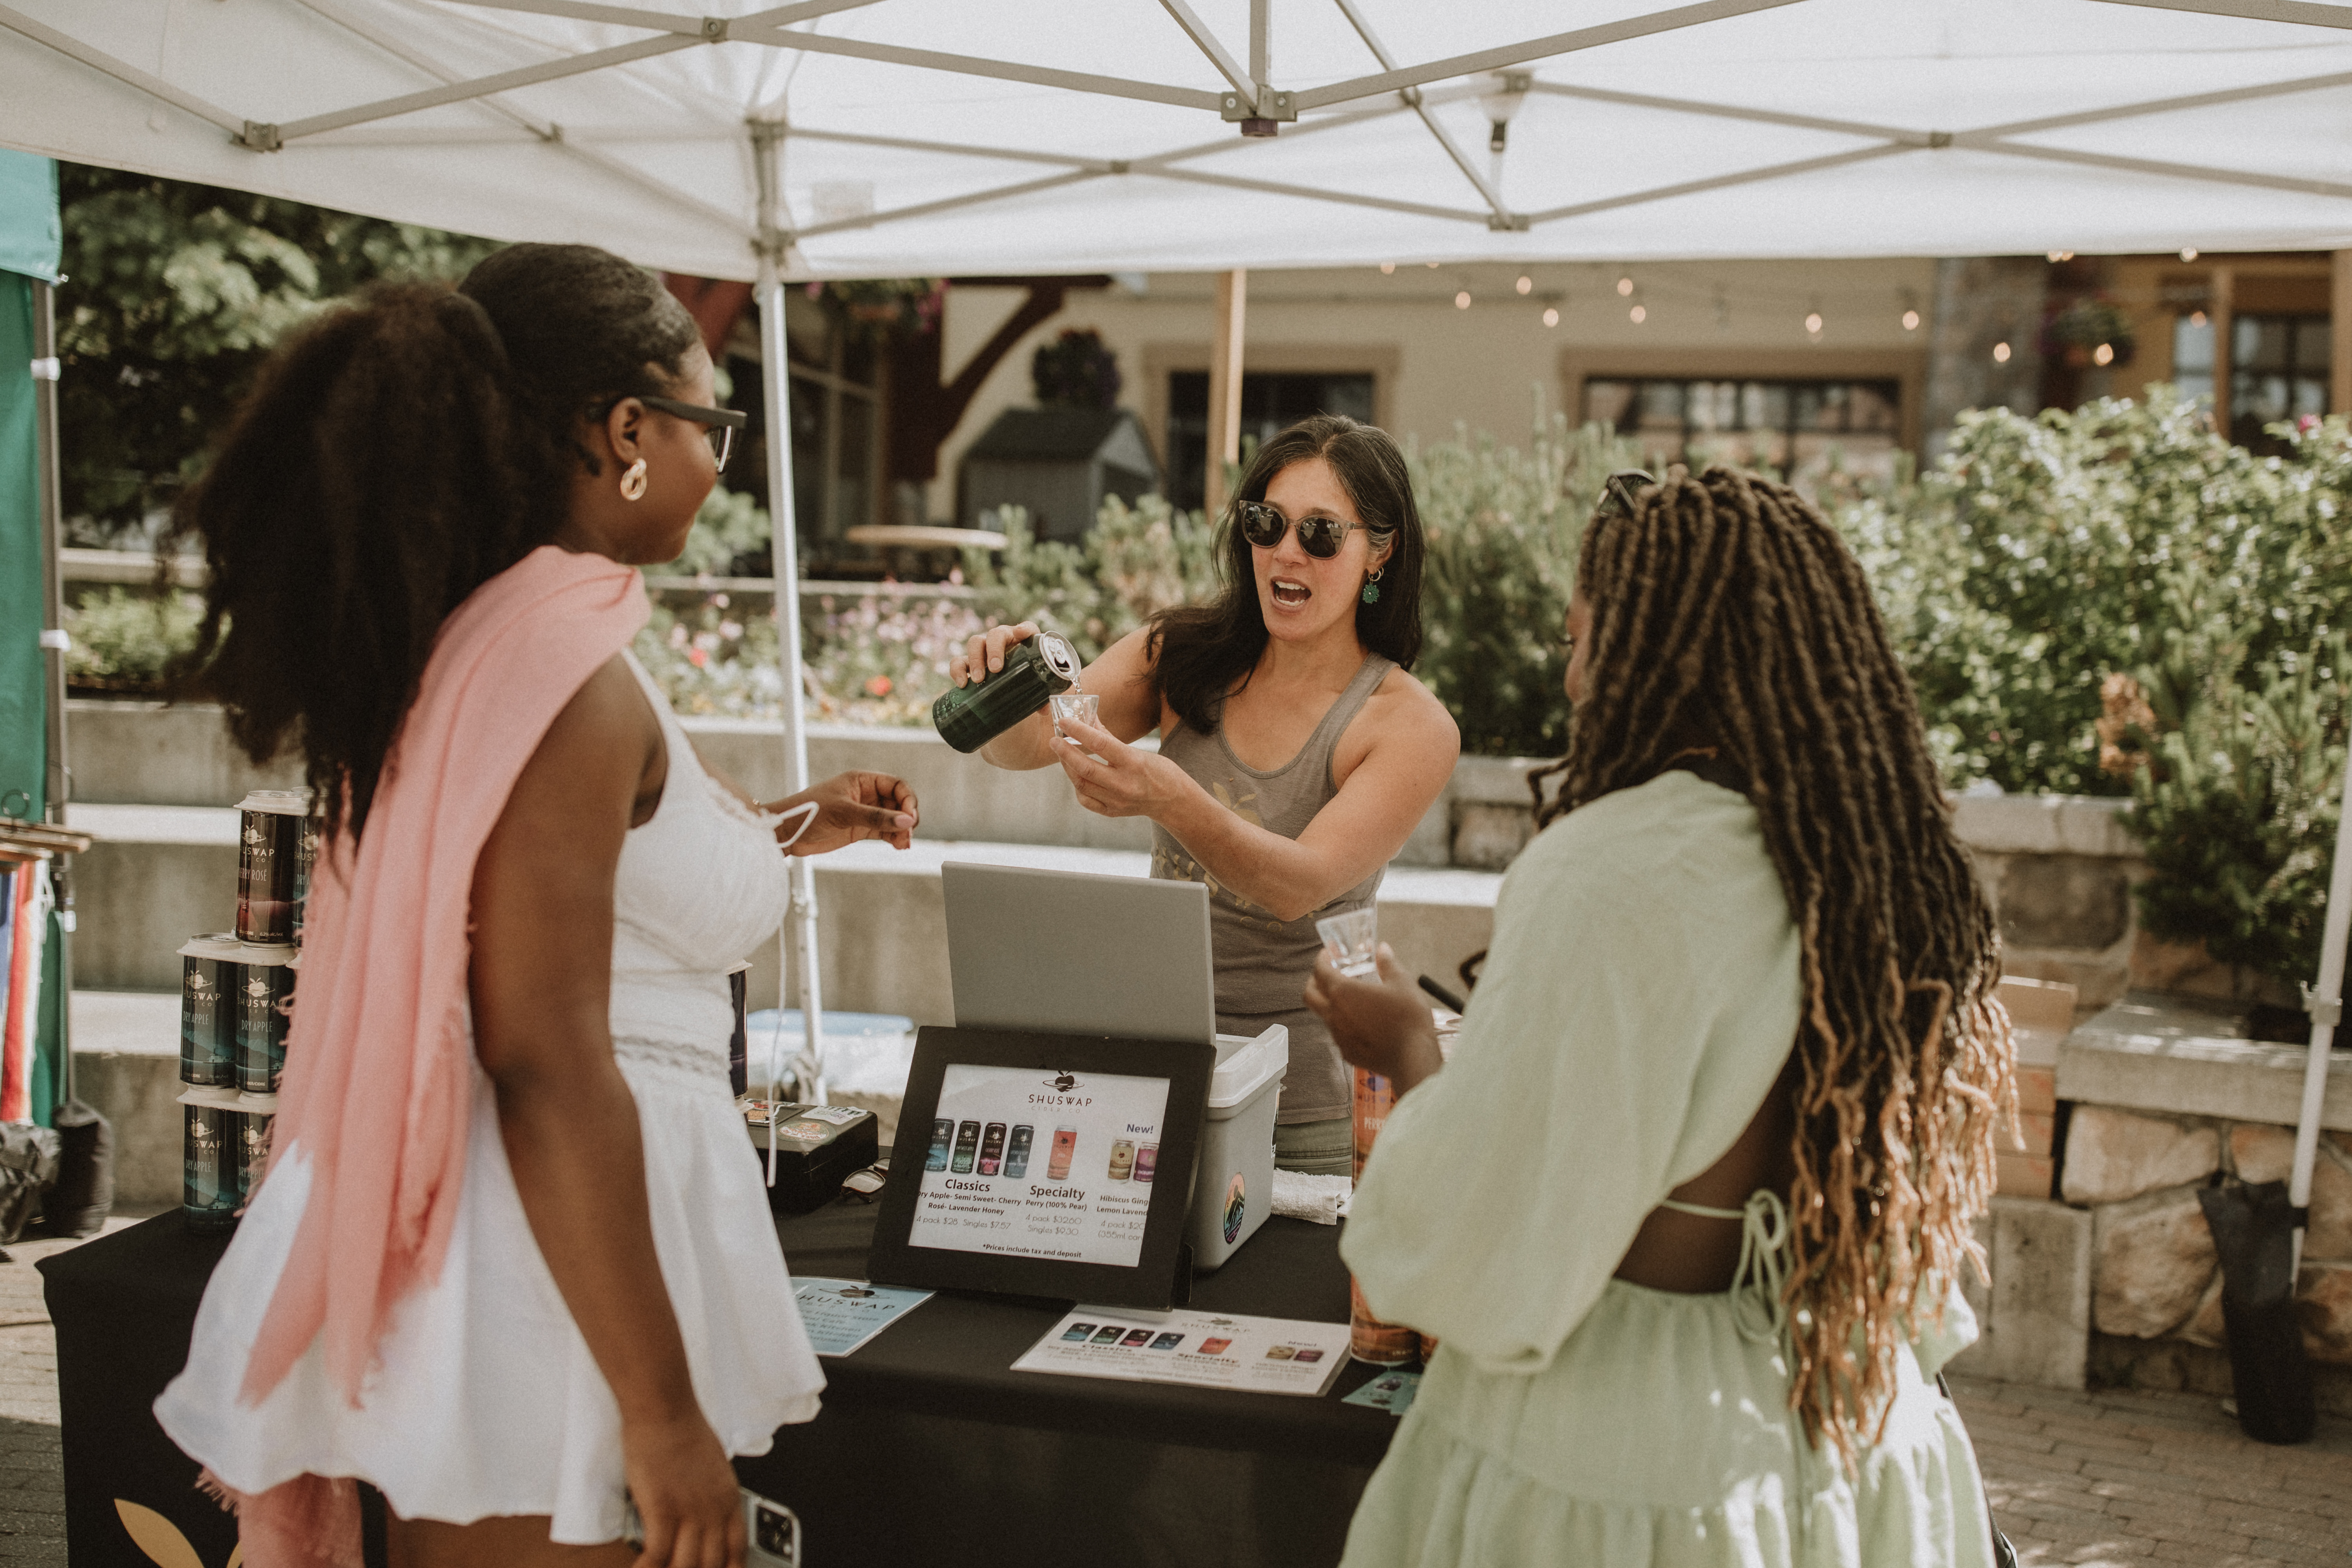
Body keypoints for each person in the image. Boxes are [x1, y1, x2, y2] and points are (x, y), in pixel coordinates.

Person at [152, 244, 920, 1568]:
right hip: (542, 1261)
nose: (713, 463)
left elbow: (622, 877)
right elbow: (546, 1056)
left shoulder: (513, 645)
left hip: (535, 1239)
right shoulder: (567, 676)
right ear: (627, 431)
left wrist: (801, 820)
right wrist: (661, 1410)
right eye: (712, 425)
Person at [1307, 465, 2013, 1566]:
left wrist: (1403, 1043)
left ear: (1650, 652)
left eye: (1579, 641)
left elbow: (1495, 1246)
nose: (1574, 680)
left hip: (1629, 1471)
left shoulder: (1615, 867)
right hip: (1856, 1428)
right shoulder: (1886, 864)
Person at [951, 415, 1459, 1175]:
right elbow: (1023, 748)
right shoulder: (1182, 652)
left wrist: (1168, 796)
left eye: (1320, 534)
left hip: (1304, 1106)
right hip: (1162, 1076)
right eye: (1266, 523)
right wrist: (1007, 684)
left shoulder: (1407, 723)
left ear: (1378, 550)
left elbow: (1299, 887)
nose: (1286, 551)